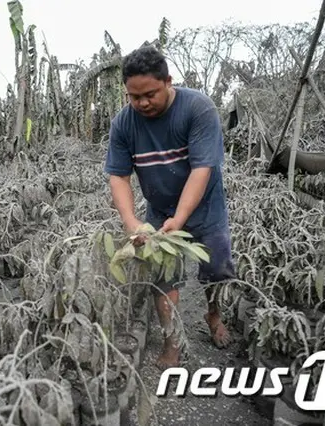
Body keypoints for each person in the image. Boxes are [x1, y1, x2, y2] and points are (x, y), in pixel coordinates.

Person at [103, 45, 235, 370]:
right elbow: (118, 176)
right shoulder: (124, 124)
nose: (142, 103)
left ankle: (214, 315)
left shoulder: (197, 109)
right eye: (134, 97)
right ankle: (172, 341)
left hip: (205, 207)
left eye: (149, 94)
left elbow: (202, 170)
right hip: (160, 209)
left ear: (168, 82)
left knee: (217, 269)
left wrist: (182, 218)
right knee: (163, 277)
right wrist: (131, 222)